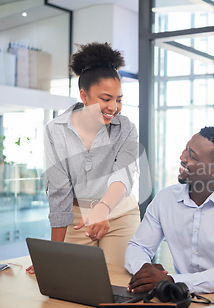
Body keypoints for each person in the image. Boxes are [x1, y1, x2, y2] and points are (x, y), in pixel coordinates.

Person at [27, 42, 140, 272]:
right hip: (77, 219)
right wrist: (52, 254)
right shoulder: (57, 130)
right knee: (71, 280)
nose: (114, 107)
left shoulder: (126, 127)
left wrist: (103, 208)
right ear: (83, 95)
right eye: (106, 98)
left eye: (119, 99)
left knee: (115, 281)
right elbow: (59, 192)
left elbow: (124, 174)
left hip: (119, 214)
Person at [124, 126, 214, 294]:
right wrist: (145, 271)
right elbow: (138, 246)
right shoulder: (165, 199)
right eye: (186, 149)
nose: (182, 157)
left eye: (192, 156)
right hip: (183, 298)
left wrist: (174, 281)